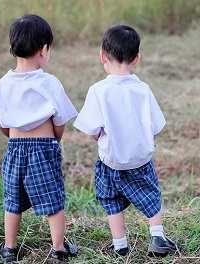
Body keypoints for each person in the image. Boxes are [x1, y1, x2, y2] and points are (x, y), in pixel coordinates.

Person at [73, 24, 178, 257]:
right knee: (150, 195)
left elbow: (92, 129)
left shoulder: (99, 90)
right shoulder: (143, 89)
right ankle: (157, 236)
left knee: (111, 200)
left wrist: (100, 137)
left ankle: (120, 244)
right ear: (136, 59)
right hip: (140, 159)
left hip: (110, 160)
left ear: (102, 56)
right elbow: (155, 125)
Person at [0, 14, 79, 263]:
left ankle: (9, 248)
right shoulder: (49, 83)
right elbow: (59, 121)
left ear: (11, 49)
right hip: (44, 148)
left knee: (12, 200)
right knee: (53, 199)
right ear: (43, 50)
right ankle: (58, 248)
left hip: (14, 148)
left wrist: (13, 136)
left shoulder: (3, 84)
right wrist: (53, 140)